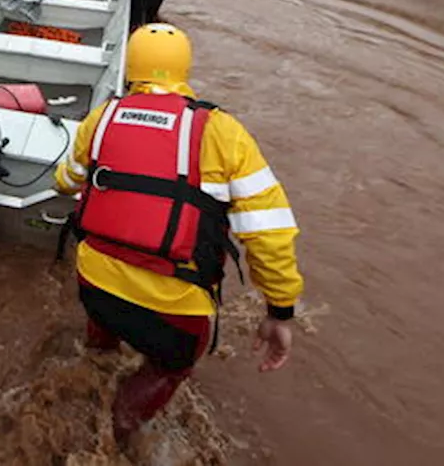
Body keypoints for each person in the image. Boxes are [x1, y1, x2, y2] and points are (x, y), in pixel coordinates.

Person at [54, 23, 303, 450]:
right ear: (185, 67)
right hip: (173, 312)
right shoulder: (222, 131)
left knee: (104, 319)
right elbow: (269, 232)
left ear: (131, 67)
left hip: (94, 286)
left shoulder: (102, 117)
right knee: (168, 367)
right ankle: (118, 433)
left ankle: (96, 360)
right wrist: (280, 311)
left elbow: (67, 181)